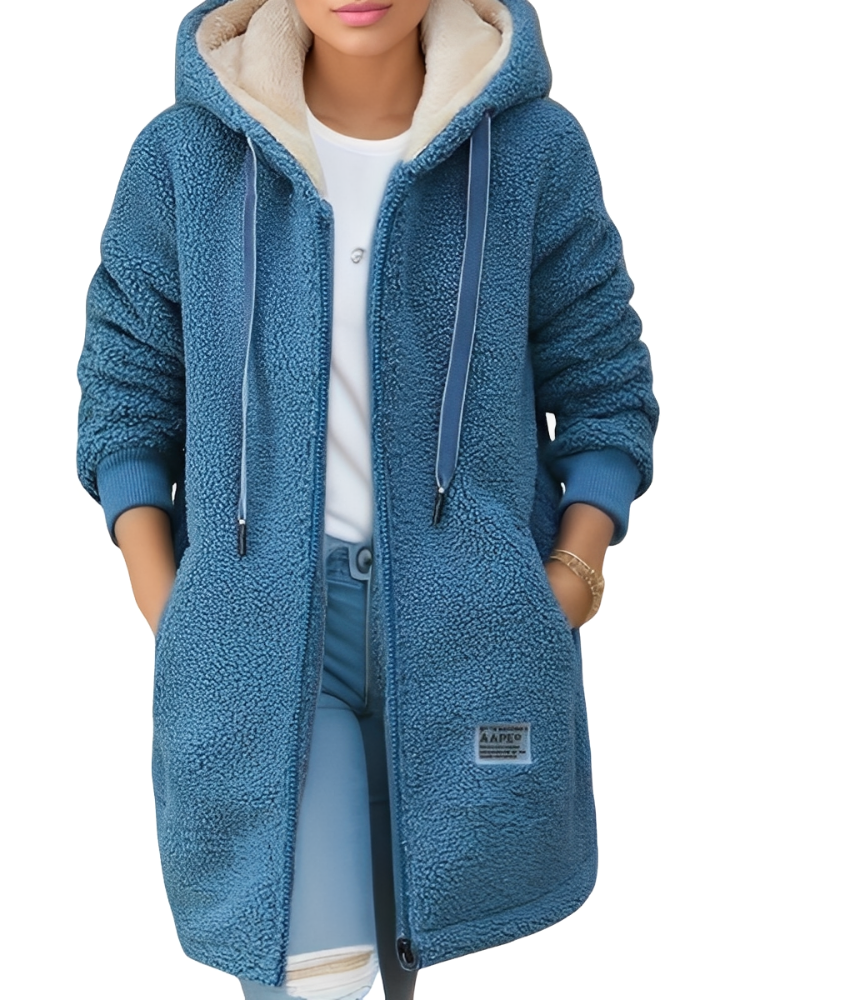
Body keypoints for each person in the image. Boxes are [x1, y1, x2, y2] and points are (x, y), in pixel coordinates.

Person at [76, 0, 659, 997]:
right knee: (316, 974)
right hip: (266, 635)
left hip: (465, 634)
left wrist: (569, 576)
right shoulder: (184, 158)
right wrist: (172, 601)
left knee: (391, 959)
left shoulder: (531, 151)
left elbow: (603, 376)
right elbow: (128, 384)